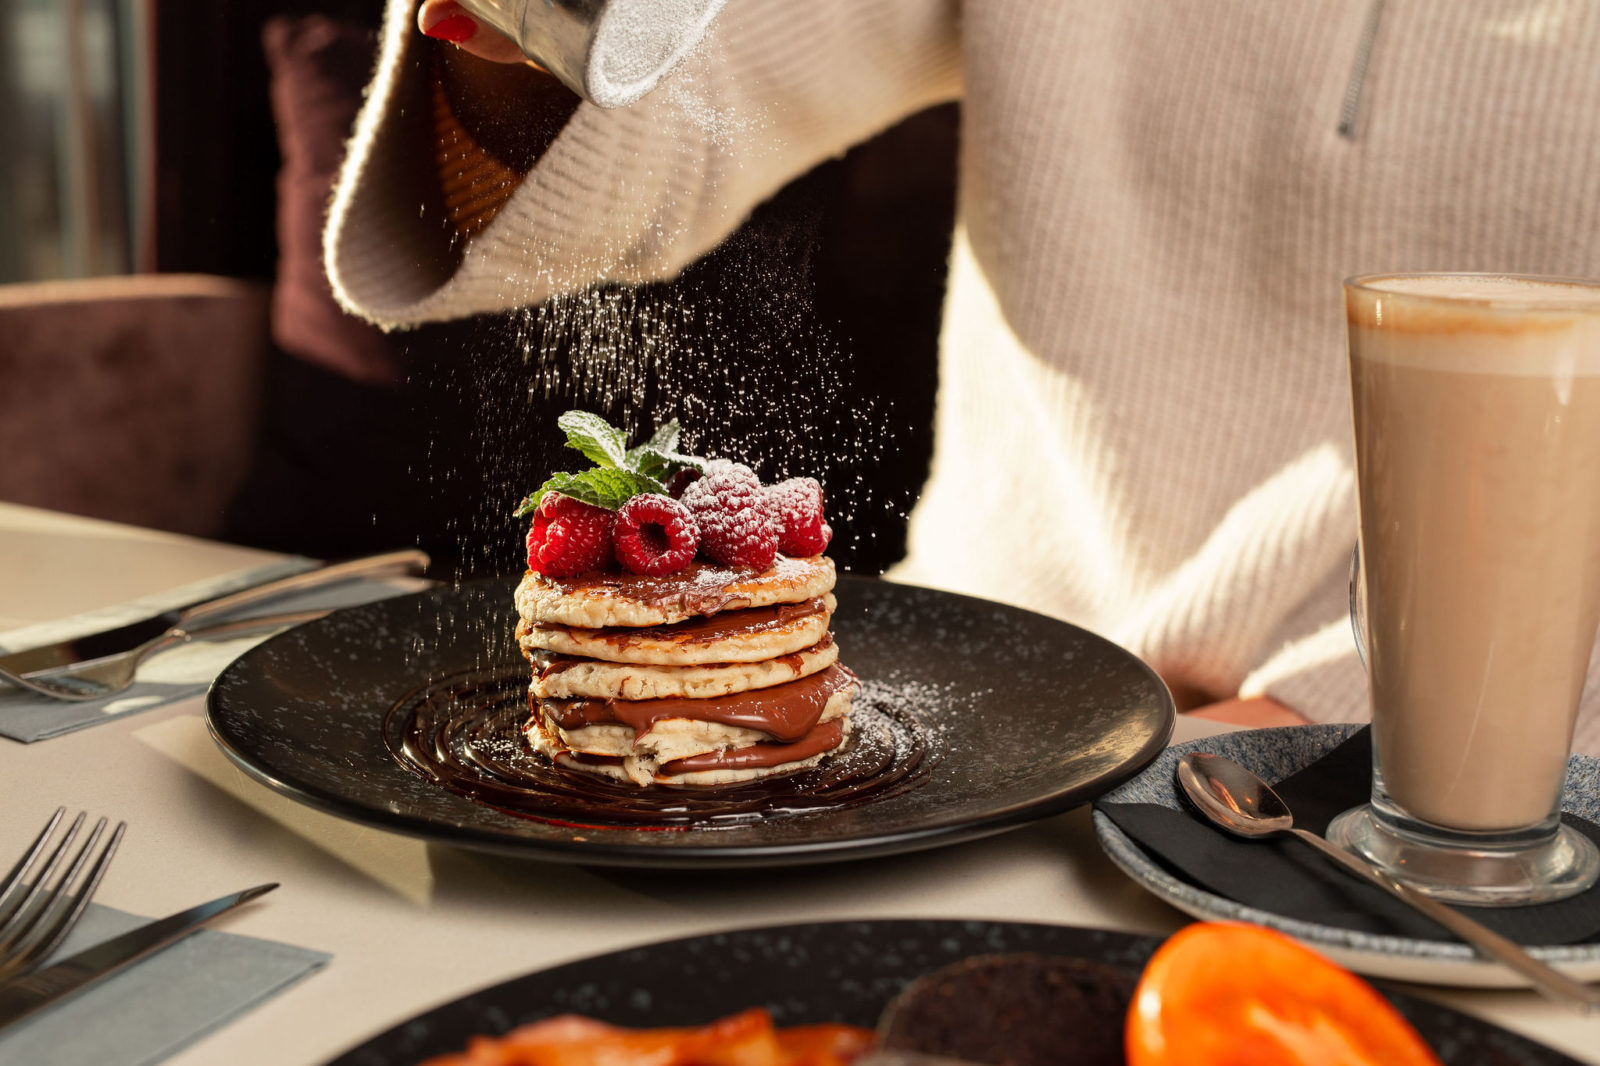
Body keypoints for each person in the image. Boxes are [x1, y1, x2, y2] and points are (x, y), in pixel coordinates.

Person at [324, 0, 1600, 752]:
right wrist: (534, 45)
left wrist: (1318, 725)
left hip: (1498, 778)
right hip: (992, 719)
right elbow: (670, 98)